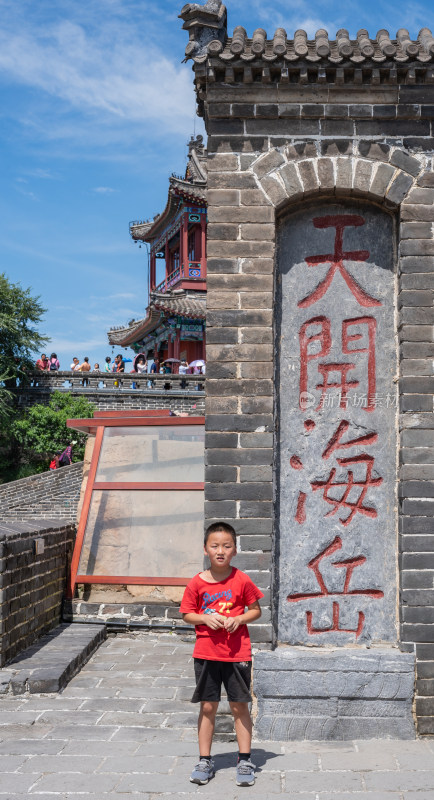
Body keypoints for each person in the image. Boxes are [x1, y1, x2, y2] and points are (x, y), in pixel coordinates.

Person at [180, 522, 263, 787]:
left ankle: (245, 760)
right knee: (207, 706)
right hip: (206, 654)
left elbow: (256, 610)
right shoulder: (197, 582)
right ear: (205, 549)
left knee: (240, 705)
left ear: (234, 550)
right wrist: (205, 618)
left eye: (226, 546)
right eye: (215, 546)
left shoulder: (241, 579)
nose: (220, 551)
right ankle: (205, 759)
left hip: (237, 653)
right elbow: (186, 615)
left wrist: (238, 619)